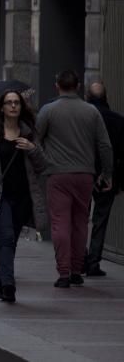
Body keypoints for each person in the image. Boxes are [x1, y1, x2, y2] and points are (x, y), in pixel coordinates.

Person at [35, 70, 114, 288]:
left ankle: (63, 273)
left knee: (60, 223)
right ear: (78, 86)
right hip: (85, 175)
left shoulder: (48, 111)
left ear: (56, 85)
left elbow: (35, 140)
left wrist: (41, 164)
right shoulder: (91, 112)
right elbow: (105, 145)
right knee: (80, 223)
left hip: (58, 174)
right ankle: (78, 270)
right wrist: (107, 174)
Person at [0, 90, 47, 303]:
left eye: (16, 103)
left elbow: (42, 166)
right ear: (2, 107)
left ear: (21, 107)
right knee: (5, 236)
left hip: (23, 196)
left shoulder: (29, 133)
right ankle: (8, 284)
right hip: (0, 196)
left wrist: (32, 149)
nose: (13, 106)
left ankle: (0, 281)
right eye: (9, 103)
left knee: (11, 239)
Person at [84, 81, 124, 277]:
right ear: (106, 97)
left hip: (82, 173)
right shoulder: (118, 120)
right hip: (107, 177)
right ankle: (93, 262)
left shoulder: (82, 119)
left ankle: (79, 258)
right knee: (100, 220)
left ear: (87, 97)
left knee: (79, 219)